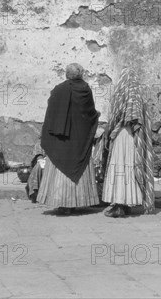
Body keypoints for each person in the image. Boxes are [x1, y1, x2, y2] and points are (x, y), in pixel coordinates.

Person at [37, 63, 101, 215]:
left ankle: (62, 203)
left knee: (60, 169)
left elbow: (51, 112)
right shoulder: (85, 90)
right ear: (81, 74)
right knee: (79, 166)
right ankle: (77, 202)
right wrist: (96, 116)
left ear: (66, 74)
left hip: (60, 140)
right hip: (79, 139)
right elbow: (89, 113)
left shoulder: (58, 90)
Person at [92, 68, 155, 218]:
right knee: (130, 168)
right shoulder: (140, 96)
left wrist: (108, 133)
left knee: (119, 167)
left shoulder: (120, 94)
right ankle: (128, 203)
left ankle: (118, 205)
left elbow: (115, 117)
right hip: (135, 137)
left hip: (121, 135)